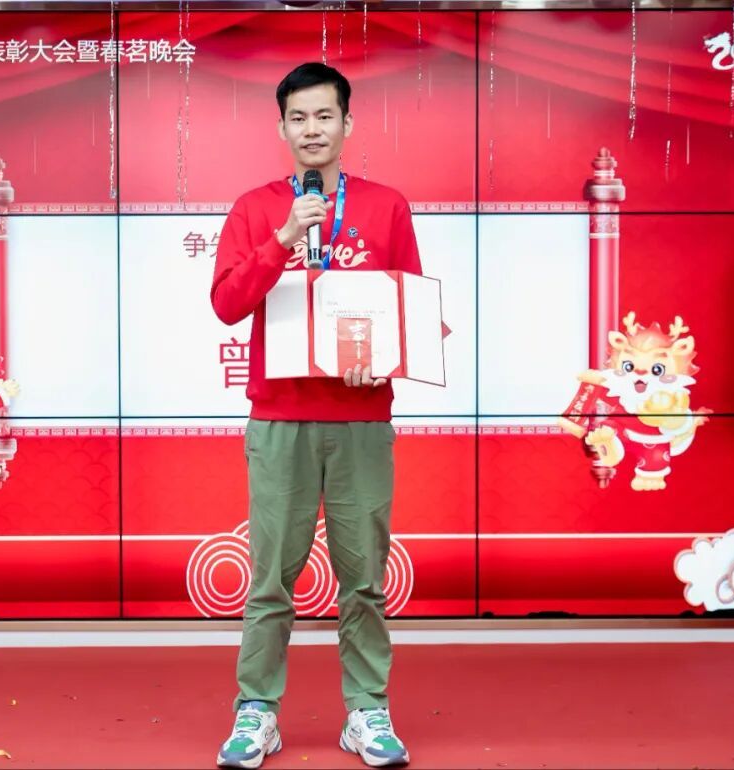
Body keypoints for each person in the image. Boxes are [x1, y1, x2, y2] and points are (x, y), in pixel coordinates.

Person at [210, 62, 421, 769]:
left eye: (324, 116)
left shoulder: (387, 206)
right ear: (281, 128)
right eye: (298, 118)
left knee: (363, 578)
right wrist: (282, 239)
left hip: (361, 418)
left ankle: (367, 710)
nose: (312, 129)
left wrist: (384, 360)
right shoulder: (254, 208)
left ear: (347, 124)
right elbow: (227, 304)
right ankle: (256, 713)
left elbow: (409, 308)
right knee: (271, 577)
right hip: (280, 417)